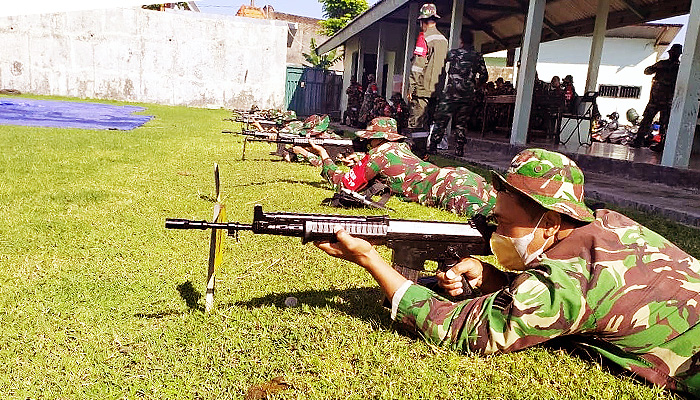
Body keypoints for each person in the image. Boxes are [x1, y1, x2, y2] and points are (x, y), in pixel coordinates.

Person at [315, 148, 700, 397]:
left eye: (502, 224)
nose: (495, 233)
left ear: (549, 222)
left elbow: (461, 331)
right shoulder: (605, 225)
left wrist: (370, 259)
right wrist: (494, 278)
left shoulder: (566, 282)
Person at [309, 117, 496, 219]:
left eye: (368, 139)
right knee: (511, 208)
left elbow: (344, 184)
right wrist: (360, 160)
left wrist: (323, 155)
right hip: (460, 176)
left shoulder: (378, 154)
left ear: (377, 138)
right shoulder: (401, 148)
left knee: (492, 219)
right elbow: (397, 165)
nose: (365, 142)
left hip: (445, 189)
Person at [429, 30, 488, 157]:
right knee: (461, 123)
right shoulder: (477, 56)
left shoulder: (454, 53)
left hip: (451, 92)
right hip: (467, 94)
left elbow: (440, 62)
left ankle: (433, 146)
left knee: (441, 120)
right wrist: (475, 85)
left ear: (461, 40)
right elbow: (484, 75)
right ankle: (459, 149)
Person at [407, 3, 448, 152]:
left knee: (418, 122)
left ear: (422, 21)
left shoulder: (423, 38)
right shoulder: (444, 40)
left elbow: (418, 65)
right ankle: (432, 149)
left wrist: (411, 87)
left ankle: (419, 151)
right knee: (431, 120)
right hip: (437, 90)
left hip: (422, 88)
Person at [631, 44, 682, 152]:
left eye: (675, 53)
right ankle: (639, 140)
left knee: (665, 124)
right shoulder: (662, 64)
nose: (673, 55)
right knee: (646, 120)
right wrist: (657, 67)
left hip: (667, 100)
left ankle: (662, 144)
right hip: (655, 99)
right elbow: (647, 71)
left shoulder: (679, 68)